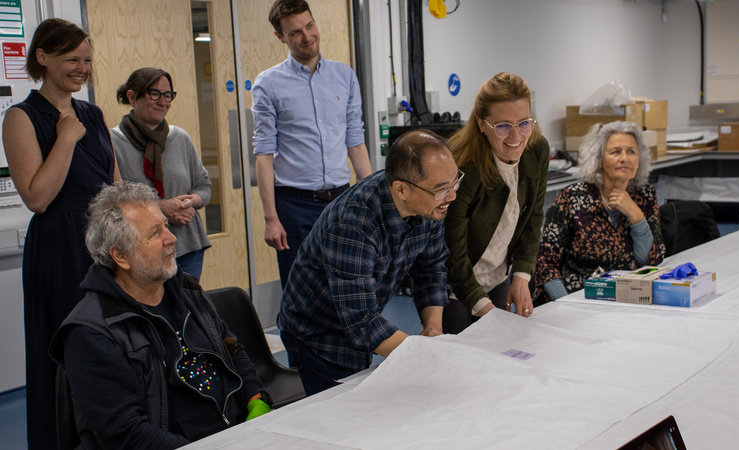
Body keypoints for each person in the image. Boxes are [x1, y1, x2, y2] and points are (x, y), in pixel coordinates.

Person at [50, 181, 271, 449]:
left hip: (234, 434)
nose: (172, 237)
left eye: (166, 225)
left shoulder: (185, 289)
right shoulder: (90, 332)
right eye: (156, 233)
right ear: (121, 256)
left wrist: (255, 398)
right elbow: (128, 434)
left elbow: (232, 348)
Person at [0, 18, 119, 449]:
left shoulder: (93, 113)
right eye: (72, 59)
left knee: (110, 345)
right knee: (67, 348)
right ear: (42, 57)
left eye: (87, 60)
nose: (81, 68)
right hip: (59, 247)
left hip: (103, 242)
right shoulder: (21, 117)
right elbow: (37, 197)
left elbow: (114, 185)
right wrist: (65, 139)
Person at [277, 130, 456, 395]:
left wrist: (433, 329)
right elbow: (361, 320)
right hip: (317, 333)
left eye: (455, 183)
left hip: (357, 322)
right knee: (338, 414)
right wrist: (423, 355)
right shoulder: (354, 223)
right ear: (401, 188)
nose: (451, 196)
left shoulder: (430, 207)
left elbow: (431, 270)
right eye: (441, 190)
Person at [252, 0, 372, 286]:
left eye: (310, 26)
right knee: (301, 292)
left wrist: (371, 200)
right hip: (294, 206)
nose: (307, 37)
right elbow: (264, 154)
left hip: (343, 201)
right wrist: (271, 218)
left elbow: (355, 142)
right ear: (280, 37)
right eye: (295, 32)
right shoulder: (268, 84)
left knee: (347, 286)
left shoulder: (345, 76)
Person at [442, 72, 550, 334]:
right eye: (502, 126)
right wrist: (483, 306)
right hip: (454, 283)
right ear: (481, 124)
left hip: (498, 273)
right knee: (463, 357)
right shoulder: (462, 166)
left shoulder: (536, 150)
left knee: (501, 352)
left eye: (524, 123)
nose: (516, 137)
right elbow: (451, 250)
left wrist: (522, 276)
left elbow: (533, 215)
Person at [533, 121, 665, 302]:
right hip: (577, 298)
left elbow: (650, 261)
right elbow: (546, 263)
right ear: (599, 160)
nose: (624, 158)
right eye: (615, 151)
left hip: (626, 297)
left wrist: (636, 216)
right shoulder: (571, 199)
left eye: (631, 151)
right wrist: (566, 304)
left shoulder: (645, 195)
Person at [112, 67, 212, 279]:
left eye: (168, 95)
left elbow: (204, 185)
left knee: (188, 309)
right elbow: (114, 202)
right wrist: (162, 208)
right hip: (141, 251)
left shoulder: (180, 138)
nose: (163, 102)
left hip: (187, 245)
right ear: (132, 96)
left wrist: (190, 202)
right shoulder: (113, 142)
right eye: (154, 94)